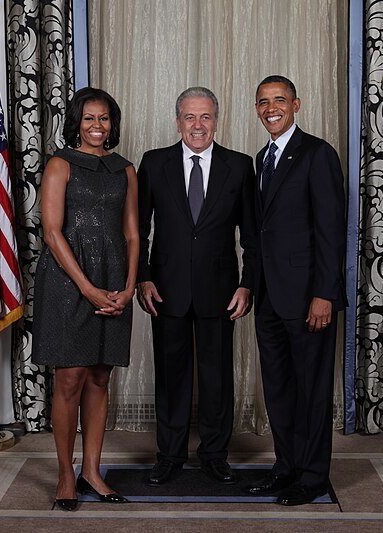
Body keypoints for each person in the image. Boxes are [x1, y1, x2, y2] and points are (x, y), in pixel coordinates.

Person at [136, 86, 256, 486]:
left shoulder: (239, 167)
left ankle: (214, 454)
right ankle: (169, 455)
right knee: (171, 378)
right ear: (178, 121)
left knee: (217, 377)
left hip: (221, 291)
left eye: (205, 117)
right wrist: (143, 277)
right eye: (190, 117)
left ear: (217, 120)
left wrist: (246, 284)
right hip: (166, 289)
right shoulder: (154, 164)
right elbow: (138, 230)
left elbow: (252, 237)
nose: (198, 125)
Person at [31, 87, 139, 511]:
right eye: (90, 118)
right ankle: (65, 473)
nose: (98, 126)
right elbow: (52, 232)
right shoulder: (60, 164)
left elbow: (133, 233)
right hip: (66, 280)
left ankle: (93, 471)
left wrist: (128, 286)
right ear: (76, 121)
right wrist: (88, 288)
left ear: (113, 124)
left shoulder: (125, 170)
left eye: (105, 119)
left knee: (100, 376)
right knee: (70, 377)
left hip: (114, 277)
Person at [246, 75, 346, 506]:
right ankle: (285, 466)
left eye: (279, 100)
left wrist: (325, 292)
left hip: (308, 297)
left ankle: (312, 475)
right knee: (280, 389)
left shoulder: (318, 154)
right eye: (264, 102)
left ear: (296, 105)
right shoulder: (259, 159)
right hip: (269, 297)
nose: (271, 108)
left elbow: (330, 230)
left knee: (312, 390)